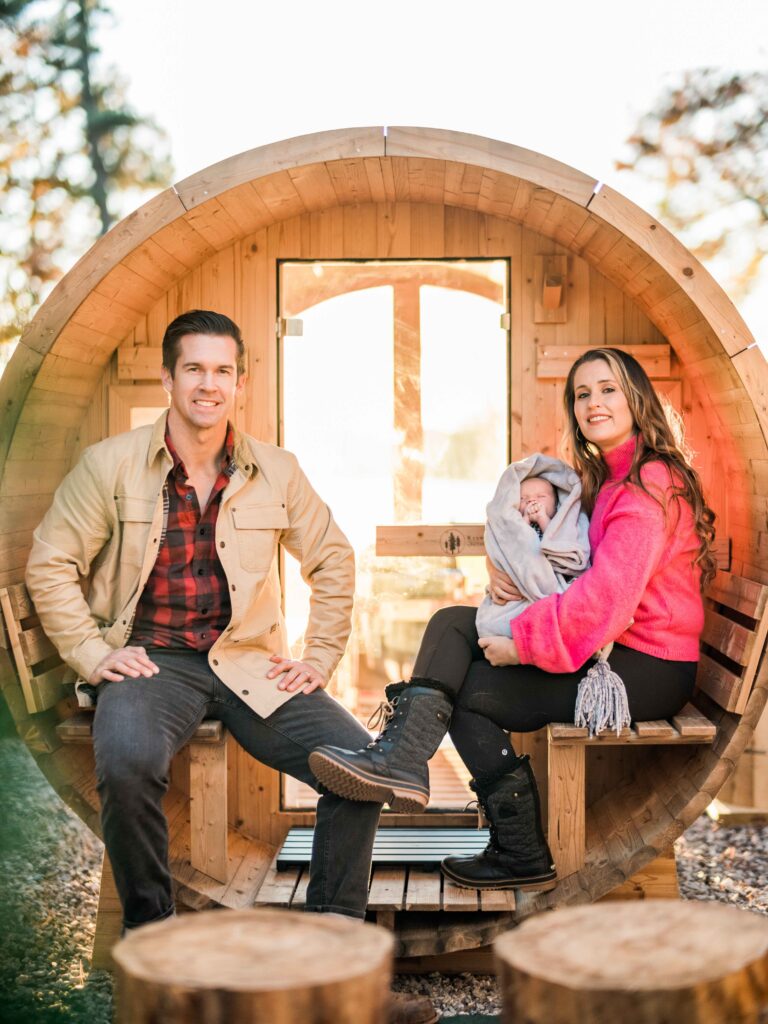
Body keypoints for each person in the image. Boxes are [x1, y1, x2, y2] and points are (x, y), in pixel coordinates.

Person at [25, 309, 437, 1024]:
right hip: (153, 664)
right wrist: (94, 653)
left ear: (240, 384)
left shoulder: (276, 470)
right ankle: (152, 952)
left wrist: (317, 657)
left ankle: (334, 972)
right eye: (194, 369)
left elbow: (333, 558)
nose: (208, 385)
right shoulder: (111, 465)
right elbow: (50, 562)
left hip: (248, 663)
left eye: (222, 371)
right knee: (124, 763)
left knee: (362, 766)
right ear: (169, 378)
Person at [310, 347, 715, 893]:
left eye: (608, 389)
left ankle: (518, 850)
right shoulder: (612, 480)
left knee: (470, 693)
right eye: (582, 394)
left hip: (644, 669)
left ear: (637, 398)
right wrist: (510, 581)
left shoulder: (647, 487)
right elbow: (576, 572)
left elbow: (605, 604)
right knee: (455, 620)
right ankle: (401, 758)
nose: (593, 403)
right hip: (614, 650)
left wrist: (522, 642)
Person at [475, 454, 590, 640]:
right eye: (523, 498)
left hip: (552, 584)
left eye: (541, 496)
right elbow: (518, 540)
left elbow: (557, 544)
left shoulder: (559, 523)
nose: (531, 501)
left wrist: (544, 519)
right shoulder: (517, 523)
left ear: (555, 503)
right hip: (520, 587)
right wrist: (525, 522)